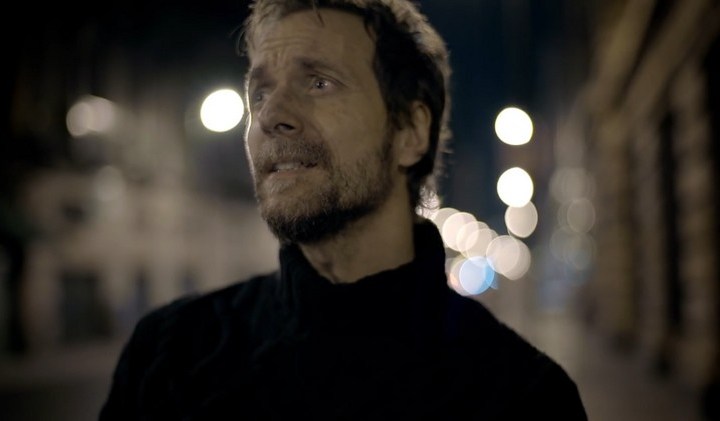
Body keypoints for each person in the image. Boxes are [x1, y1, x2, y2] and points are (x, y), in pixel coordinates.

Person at [99, 0, 587, 419]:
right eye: (260, 93)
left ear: (410, 133)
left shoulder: (521, 397)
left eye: (318, 83)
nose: (270, 116)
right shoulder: (170, 354)